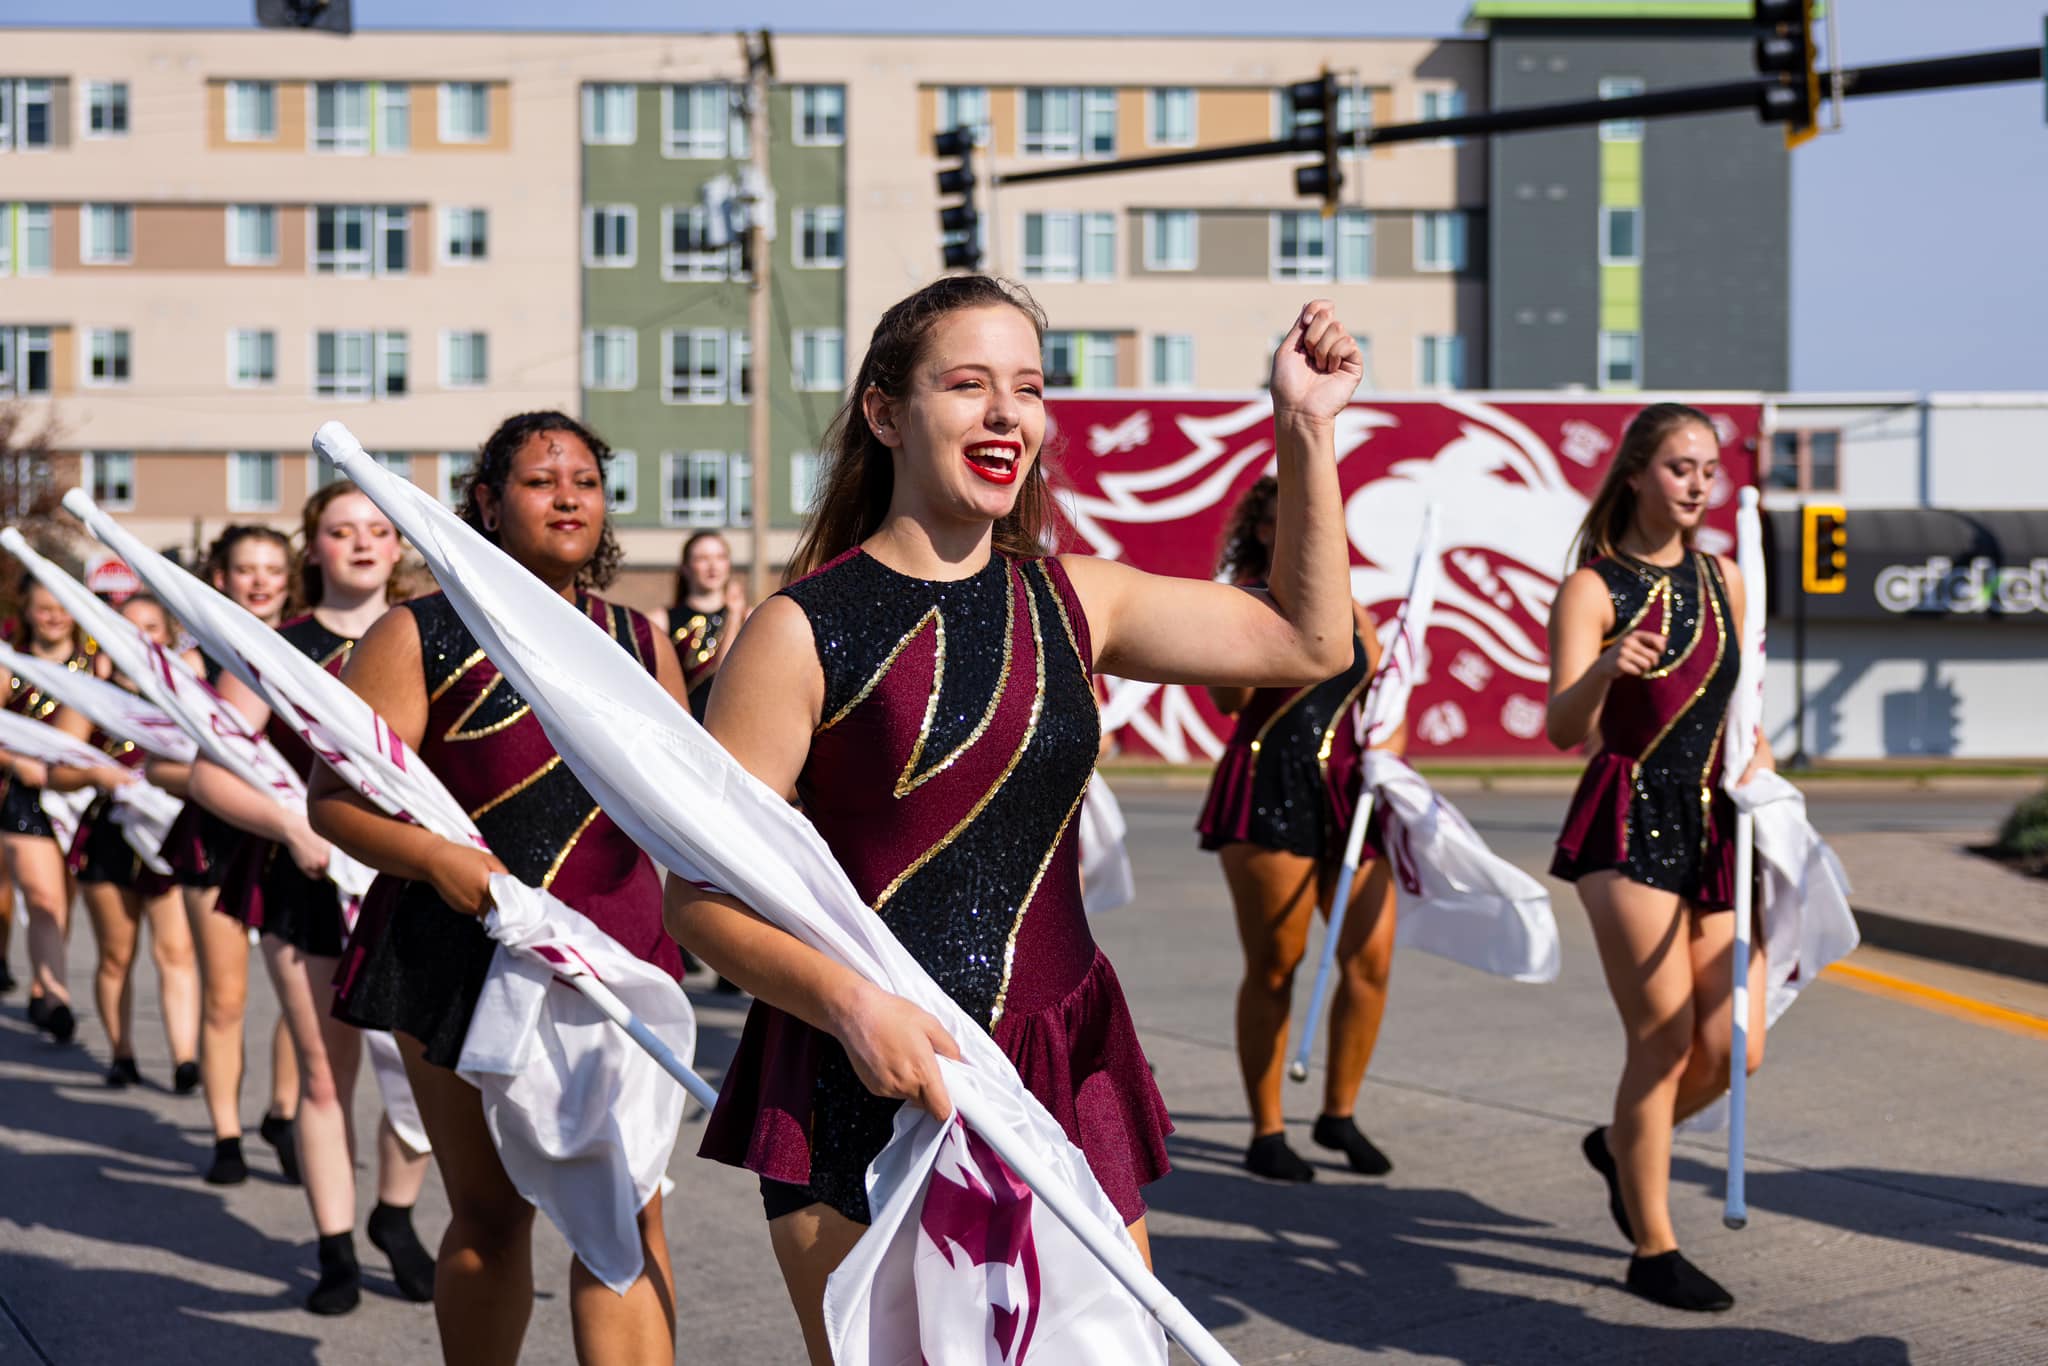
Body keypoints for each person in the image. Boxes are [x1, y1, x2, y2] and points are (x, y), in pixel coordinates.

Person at [670, 276, 1361, 1366]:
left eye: (1028, 389)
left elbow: (1309, 644)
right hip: (860, 1069)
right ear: (886, 414)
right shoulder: (797, 632)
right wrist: (854, 1007)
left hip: (1059, 1053)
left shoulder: (1084, 598)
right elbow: (699, 898)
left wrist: (1305, 428)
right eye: (968, 385)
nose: (1006, 414)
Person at [315, 411, 686, 1366]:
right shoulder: (419, 633)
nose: (569, 496)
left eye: (586, 482)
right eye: (539, 480)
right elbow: (335, 804)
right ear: (485, 501)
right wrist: (441, 864)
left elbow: (689, 811)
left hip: (619, 955)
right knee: (490, 1213)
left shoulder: (639, 641)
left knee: (630, 1214)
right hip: (456, 953)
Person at [186, 485, 434, 1315]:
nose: (362, 544)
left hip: (414, 882)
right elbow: (208, 771)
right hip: (310, 882)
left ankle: (394, 1215)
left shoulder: (433, 636)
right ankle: (333, 1250)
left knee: (429, 1071)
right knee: (327, 1078)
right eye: (341, 531)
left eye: (378, 530)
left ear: (398, 547)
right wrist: (292, 826)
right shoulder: (273, 647)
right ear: (314, 547)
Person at [1545, 401, 1770, 1313]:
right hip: (1626, 813)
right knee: (1664, 1039)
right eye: (1681, 467)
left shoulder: (1728, 578)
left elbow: (1745, 699)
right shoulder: (1593, 589)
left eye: (1709, 470)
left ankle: (1621, 1143)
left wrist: (1760, 757)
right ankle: (1653, 1245)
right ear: (1638, 472)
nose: (1699, 485)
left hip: (1713, 815)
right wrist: (1604, 667)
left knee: (1734, 1047)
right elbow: (1562, 728)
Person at [1196, 475, 1405, 1183]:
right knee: (1277, 965)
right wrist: (1258, 619)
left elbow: (1385, 700)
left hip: (1349, 796)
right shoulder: (1241, 598)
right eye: (1291, 521)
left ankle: (1339, 1113)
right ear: (1262, 532)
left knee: (1371, 960)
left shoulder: (1353, 605)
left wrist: (1389, 761)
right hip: (1268, 787)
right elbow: (1230, 700)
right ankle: (1267, 1126)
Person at [144, 525, 303, 1184]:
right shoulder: (191, 664)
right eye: (247, 569)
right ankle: (227, 1135)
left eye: (273, 569)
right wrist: (233, 781)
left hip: (300, 843)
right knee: (226, 999)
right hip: (216, 841)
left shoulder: (311, 655)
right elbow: (156, 766)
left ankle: (285, 1112)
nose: (260, 581)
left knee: (306, 1002)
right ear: (221, 577)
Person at [45, 593, 202, 1091]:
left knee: (176, 950)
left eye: (151, 627)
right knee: (117, 953)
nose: (140, 638)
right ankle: (122, 1052)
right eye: (127, 627)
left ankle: (184, 1059)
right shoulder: (92, 693)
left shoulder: (186, 694)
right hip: (110, 837)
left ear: (168, 635)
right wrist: (100, 774)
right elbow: (58, 772)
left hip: (169, 835)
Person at [0, 579, 92, 1044]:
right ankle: (58, 999)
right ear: (28, 611)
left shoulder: (97, 667)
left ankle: (42, 984)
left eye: (62, 608)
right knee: (43, 898)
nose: (54, 616)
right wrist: (19, 762)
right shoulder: (9, 668)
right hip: (26, 798)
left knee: (64, 901)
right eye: (43, 608)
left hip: (83, 800)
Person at [653, 529, 749, 721]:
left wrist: (733, 615)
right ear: (686, 568)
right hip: (685, 724)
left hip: (732, 724)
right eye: (702, 558)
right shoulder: (661, 620)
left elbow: (728, 677)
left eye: (720, 557)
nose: (713, 566)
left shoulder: (749, 617)